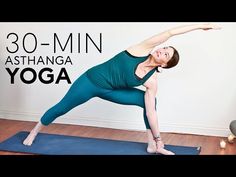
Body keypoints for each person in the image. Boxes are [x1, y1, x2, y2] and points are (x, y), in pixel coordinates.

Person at [23, 23, 221, 155]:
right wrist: (201, 25)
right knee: (62, 107)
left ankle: (153, 144)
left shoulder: (152, 81)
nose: (161, 49)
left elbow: (151, 112)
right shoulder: (142, 49)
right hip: (91, 81)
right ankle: (34, 131)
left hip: (111, 91)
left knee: (149, 102)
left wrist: (160, 140)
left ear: (164, 65)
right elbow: (170, 33)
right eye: (164, 48)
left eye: (165, 54)